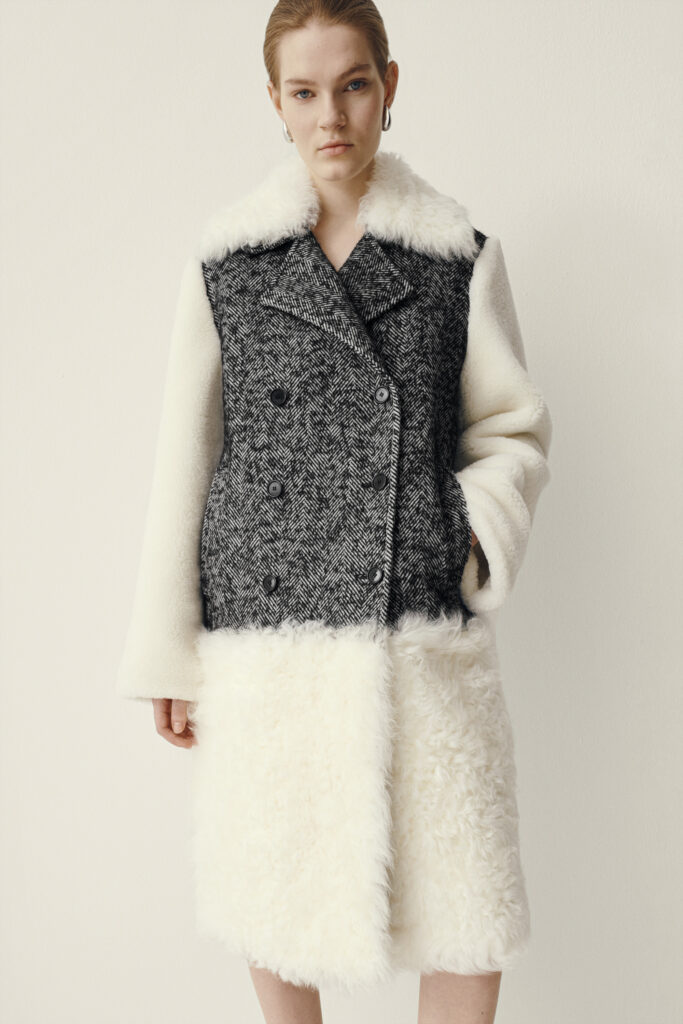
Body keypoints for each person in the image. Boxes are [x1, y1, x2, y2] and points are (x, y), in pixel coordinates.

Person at [116, 2, 552, 1022]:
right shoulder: (229, 266)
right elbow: (186, 458)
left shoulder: (455, 256)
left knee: (465, 911)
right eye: (304, 91)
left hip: (420, 631)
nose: (330, 117)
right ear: (273, 101)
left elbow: (512, 430)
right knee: (275, 904)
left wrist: (459, 539)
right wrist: (168, 653)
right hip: (268, 638)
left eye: (352, 85)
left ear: (388, 87)